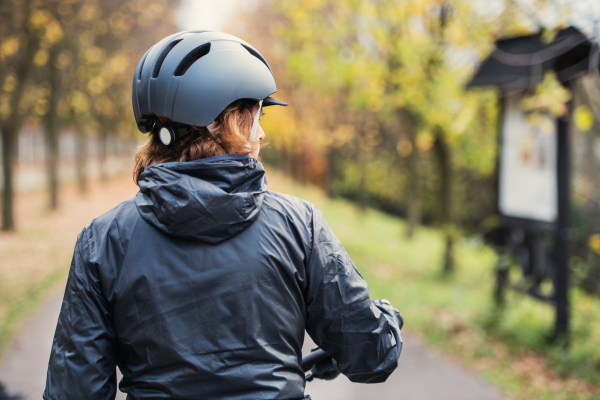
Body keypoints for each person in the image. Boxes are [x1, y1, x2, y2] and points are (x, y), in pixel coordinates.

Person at [43, 31, 403, 400]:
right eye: (256, 116)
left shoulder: (102, 242)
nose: (261, 134)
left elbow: (74, 391)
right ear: (230, 123)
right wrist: (386, 319)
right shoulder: (299, 225)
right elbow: (371, 358)